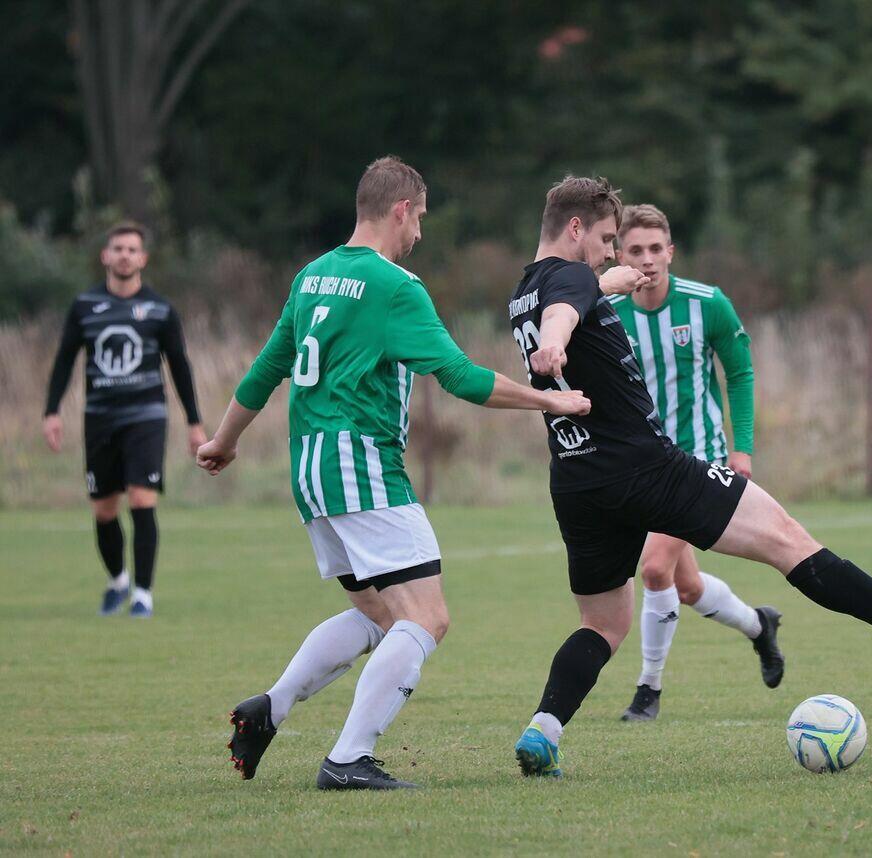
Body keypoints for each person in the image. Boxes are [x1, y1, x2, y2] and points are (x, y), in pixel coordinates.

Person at [507, 175, 872, 777]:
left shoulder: (524, 291)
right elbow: (565, 310)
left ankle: (543, 732)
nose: (610, 252)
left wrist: (601, 291)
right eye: (608, 240)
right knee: (787, 539)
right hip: (643, 467)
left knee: (603, 623)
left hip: (576, 480)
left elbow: (572, 297)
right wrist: (555, 343)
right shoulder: (567, 283)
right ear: (575, 228)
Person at [196, 156, 591, 791]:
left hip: (310, 469)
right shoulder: (395, 286)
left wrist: (224, 439)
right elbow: (461, 377)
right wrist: (551, 400)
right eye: (421, 218)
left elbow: (267, 368)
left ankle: (269, 708)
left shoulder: (313, 276)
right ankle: (347, 759)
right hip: (360, 463)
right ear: (401, 209)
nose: (420, 234)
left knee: (382, 616)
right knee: (427, 617)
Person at [609, 203, 782, 722]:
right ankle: (759, 625)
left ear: (671, 252)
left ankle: (648, 690)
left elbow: (740, 373)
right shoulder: (607, 312)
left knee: (653, 568)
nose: (646, 259)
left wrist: (742, 447)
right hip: (639, 463)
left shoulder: (707, 304)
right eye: (635, 250)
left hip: (695, 459)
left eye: (654, 249)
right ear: (619, 256)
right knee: (685, 586)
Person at [43, 222, 205, 618]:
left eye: (132, 249)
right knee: (104, 509)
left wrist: (194, 422)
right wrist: (51, 411)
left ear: (143, 259)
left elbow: (179, 366)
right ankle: (118, 580)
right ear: (106, 256)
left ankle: (143, 594)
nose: (125, 256)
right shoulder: (84, 306)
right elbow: (64, 360)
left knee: (141, 498)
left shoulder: (160, 310)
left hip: (146, 415)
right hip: (99, 417)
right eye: (118, 248)